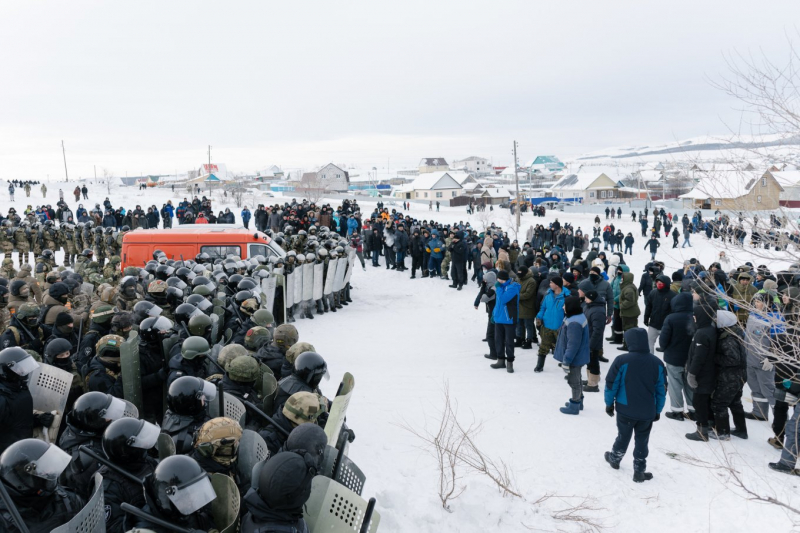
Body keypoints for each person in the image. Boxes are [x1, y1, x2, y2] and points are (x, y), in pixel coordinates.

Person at [604, 328, 666, 482]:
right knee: (642, 440)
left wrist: (609, 403)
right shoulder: (657, 363)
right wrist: (657, 410)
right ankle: (639, 471)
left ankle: (615, 458)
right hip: (647, 412)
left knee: (623, 436)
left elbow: (612, 384)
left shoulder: (622, 360)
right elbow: (662, 390)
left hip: (625, 409)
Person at [0, 439, 85, 532]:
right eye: (44, 469)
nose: (50, 471)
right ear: (24, 480)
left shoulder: (67, 499)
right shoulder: (4, 521)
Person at [708, 310, 748, 440]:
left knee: (719, 403)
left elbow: (733, 359)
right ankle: (741, 430)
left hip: (730, 376)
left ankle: (723, 432)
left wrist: (714, 357)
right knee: (735, 402)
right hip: (740, 375)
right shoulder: (736, 332)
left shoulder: (728, 339)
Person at [659, 292, 696, 421]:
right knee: (690, 384)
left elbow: (663, 340)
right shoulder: (696, 317)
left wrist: (663, 347)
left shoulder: (671, 318)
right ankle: (693, 410)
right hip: (692, 359)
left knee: (675, 384)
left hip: (674, 358)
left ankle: (677, 411)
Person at [685, 302, 718, 441]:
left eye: (695, 316)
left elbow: (699, 357)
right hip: (709, 372)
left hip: (702, 374)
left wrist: (692, 374)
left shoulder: (702, 333)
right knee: (705, 401)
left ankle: (702, 431)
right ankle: (710, 425)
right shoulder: (710, 329)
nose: (694, 318)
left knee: (699, 402)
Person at [555, 295, 590, 414]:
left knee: (573, 381)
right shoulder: (576, 316)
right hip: (578, 356)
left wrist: (566, 360)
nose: (563, 307)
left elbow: (573, 345)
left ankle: (575, 405)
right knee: (578, 379)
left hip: (575, 357)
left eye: (565, 305)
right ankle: (579, 402)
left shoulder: (574, 322)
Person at [535, 275, 569, 372]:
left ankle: (566, 365)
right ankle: (539, 366)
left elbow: (569, 313)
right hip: (547, 326)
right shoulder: (548, 295)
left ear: (557, 285)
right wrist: (539, 318)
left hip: (560, 328)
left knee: (564, 348)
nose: (549, 284)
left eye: (551, 283)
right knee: (543, 347)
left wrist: (565, 325)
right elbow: (543, 308)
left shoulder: (566, 297)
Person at [490, 270, 520, 373]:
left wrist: (498, 287)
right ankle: (500, 360)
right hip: (499, 319)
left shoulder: (513, 287)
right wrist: (494, 315)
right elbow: (498, 303)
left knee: (509, 342)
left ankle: (510, 362)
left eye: (499, 279)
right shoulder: (501, 287)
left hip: (509, 319)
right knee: (498, 340)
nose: (497, 281)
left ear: (503, 279)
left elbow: (503, 299)